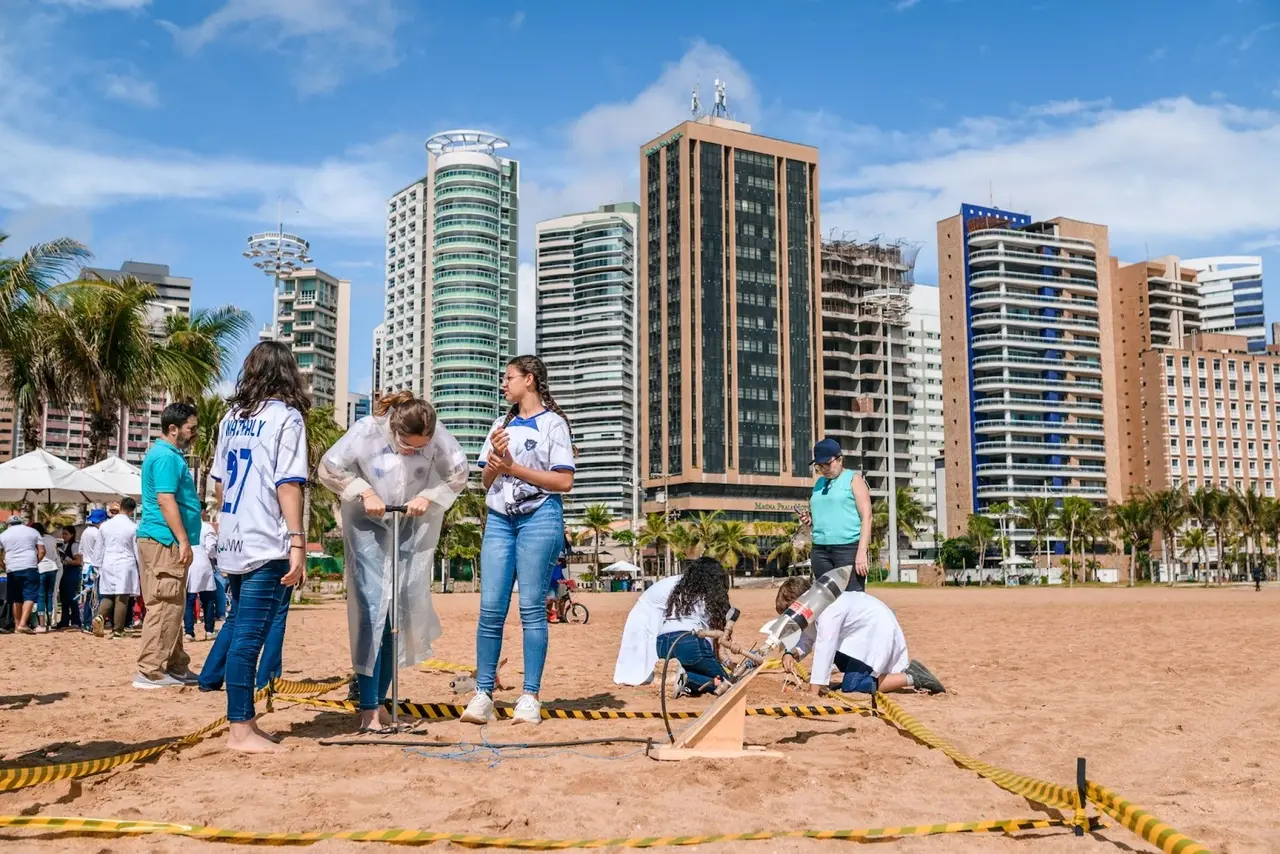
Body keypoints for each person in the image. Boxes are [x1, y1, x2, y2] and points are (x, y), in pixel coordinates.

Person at [318, 391, 468, 733]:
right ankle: (368, 708)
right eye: (406, 445)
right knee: (371, 613)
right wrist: (364, 491)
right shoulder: (367, 430)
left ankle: (381, 704)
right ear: (393, 429)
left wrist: (427, 496)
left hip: (409, 529)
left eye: (420, 447)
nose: (412, 452)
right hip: (368, 529)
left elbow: (457, 473)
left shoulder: (436, 435)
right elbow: (329, 466)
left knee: (395, 617)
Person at [202, 340, 309, 753]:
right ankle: (241, 728)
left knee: (242, 629)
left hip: (233, 537)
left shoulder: (231, 417)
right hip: (265, 538)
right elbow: (288, 483)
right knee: (250, 635)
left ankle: (243, 723)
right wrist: (297, 541)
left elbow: (218, 483)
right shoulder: (287, 418)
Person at [461, 355, 575, 727]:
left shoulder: (554, 424)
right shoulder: (500, 424)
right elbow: (485, 482)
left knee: (530, 608)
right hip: (499, 519)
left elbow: (563, 482)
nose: (503, 384)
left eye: (508, 377)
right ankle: (482, 694)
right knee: (490, 610)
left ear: (529, 380)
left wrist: (513, 466)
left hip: (540, 518)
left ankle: (530, 696)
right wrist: (496, 461)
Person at [773, 577, 945, 696]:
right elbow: (808, 638)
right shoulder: (815, 609)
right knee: (838, 663)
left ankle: (912, 676)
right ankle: (863, 673)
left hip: (875, 633)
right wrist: (791, 653)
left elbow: (825, 648)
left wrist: (813, 692)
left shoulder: (829, 611)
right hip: (860, 636)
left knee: (853, 686)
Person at [135, 401, 203, 689]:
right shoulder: (165, 457)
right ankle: (150, 670)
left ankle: (175, 664)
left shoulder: (169, 455)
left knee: (173, 604)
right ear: (173, 429)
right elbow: (166, 499)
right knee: (165, 604)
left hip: (163, 538)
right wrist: (183, 540)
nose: (195, 433)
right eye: (191, 428)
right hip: (164, 539)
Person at [653, 557, 737, 696]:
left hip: (662, 642)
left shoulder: (679, 594)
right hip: (688, 641)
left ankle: (675, 677)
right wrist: (727, 663)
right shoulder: (710, 596)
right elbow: (719, 638)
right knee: (724, 681)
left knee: (686, 670)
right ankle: (686, 679)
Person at [800, 438, 873, 592]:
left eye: (827, 463)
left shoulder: (854, 479)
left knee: (852, 599)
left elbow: (867, 517)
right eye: (819, 466)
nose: (824, 468)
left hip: (847, 550)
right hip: (820, 550)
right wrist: (811, 520)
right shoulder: (819, 484)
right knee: (825, 600)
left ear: (840, 459)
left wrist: (861, 552)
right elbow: (829, 516)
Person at [613, 573, 682, 685]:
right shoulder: (682, 584)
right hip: (648, 614)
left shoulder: (679, 581)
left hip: (656, 613)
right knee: (641, 649)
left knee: (645, 650)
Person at [94, 498, 141, 638]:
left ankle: (100, 616)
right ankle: (118, 629)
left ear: (120, 507)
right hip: (125, 562)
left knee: (108, 594)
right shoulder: (133, 527)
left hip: (108, 561)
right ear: (132, 510)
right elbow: (136, 549)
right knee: (122, 595)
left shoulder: (105, 526)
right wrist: (141, 566)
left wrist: (96, 565)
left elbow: (99, 548)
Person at [1, 515, 44, 634]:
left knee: (16, 598)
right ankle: (23, 624)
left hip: (12, 567)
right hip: (30, 565)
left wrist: (4, 566)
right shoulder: (33, 531)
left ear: (8, 524)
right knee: (29, 596)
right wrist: (35, 562)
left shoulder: (3, 534)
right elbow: (42, 551)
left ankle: (16, 625)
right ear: (22, 523)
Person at [184, 509, 219, 641]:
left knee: (189, 600)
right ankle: (209, 631)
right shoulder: (206, 527)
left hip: (189, 563)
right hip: (203, 562)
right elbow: (211, 548)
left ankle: (189, 632)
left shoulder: (184, 526)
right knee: (208, 599)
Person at [80, 508, 108, 630]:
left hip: (86, 567)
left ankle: (86, 622)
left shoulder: (85, 532)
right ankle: (92, 623)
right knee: (96, 598)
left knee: (89, 597)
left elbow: (80, 551)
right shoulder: (97, 533)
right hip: (95, 568)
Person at [32, 523, 60, 633]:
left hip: (41, 568)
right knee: (50, 595)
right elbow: (55, 553)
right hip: (53, 567)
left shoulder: (36, 539)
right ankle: (50, 621)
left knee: (40, 595)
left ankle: (41, 623)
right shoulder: (52, 539)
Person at [55, 525, 83, 630]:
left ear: (72, 534)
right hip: (64, 572)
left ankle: (76, 621)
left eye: (66, 534)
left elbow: (78, 561)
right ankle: (64, 620)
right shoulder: (63, 545)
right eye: (63, 534)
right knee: (64, 598)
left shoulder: (74, 546)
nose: (63, 536)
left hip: (72, 572)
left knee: (71, 597)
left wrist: (66, 561)